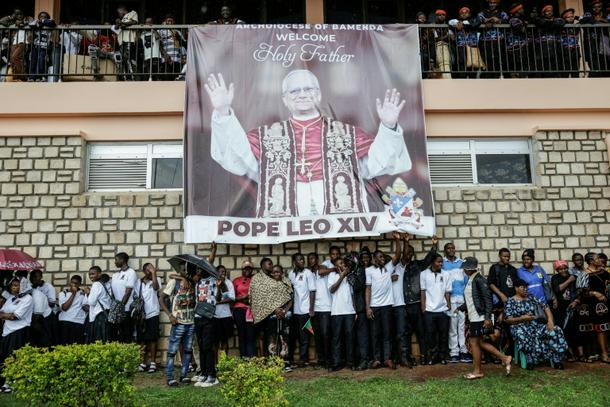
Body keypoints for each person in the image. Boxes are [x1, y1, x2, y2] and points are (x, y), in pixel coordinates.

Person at [206, 69, 411, 217]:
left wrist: (389, 126)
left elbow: (376, 165)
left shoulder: (347, 133)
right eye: (294, 91)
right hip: (284, 213)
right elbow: (237, 160)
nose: (302, 94)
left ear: (319, 95)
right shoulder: (266, 136)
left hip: (340, 213)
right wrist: (223, 113)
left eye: (308, 89)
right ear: (284, 99)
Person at [458, 257, 512, 379]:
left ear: (469, 269)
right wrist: (460, 308)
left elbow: (488, 300)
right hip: (474, 316)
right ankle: (504, 358)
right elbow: (472, 300)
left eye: (465, 268)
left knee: (474, 342)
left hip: (479, 317)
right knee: (479, 342)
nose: (464, 270)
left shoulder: (479, 280)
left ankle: (478, 371)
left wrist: (487, 318)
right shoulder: (472, 280)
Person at [504, 279, 568, 369]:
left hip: (534, 325)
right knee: (521, 333)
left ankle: (556, 358)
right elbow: (507, 320)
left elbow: (545, 306)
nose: (525, 289)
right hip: (518, 326)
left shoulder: (531, 297)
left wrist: (550, 320)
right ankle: (529, 358)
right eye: (523, 287)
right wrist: (522, 318)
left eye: (526, 287)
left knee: (555, 330)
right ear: (516, 288)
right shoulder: (510, 301)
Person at [401, 234, 438, 366]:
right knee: (406, 333)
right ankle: (408, 357)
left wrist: (434, 245)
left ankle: (423, 356)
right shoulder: (399, 266)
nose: (409, 254)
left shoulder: (417, 265)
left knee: (421, 332)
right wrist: (405, 242)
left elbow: (429, 259)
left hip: (417, 304)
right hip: (404, 305)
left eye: (411, 252)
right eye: (407, 252)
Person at [366, 233, 402, 369]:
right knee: (375, 334)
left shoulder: (388, 268)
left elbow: (397, 256)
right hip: (375, 306)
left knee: (387, 333)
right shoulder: (369, 271)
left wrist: (397, 240)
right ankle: (377, 359)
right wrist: (368, 308)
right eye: (380, 257)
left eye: (383, 257)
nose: (383, 259)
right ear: (374, 259)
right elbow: (368, 289)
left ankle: (387, 359)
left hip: (387, 306)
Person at [160, 264, 196, 387]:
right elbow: (162, 299)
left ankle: (184, 375)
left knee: (188, 351)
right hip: (178, 322)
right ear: (178, 270)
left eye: (188, 270)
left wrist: (184, 278)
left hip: (190, 322)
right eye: (183, 270)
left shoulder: (193, 283)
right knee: (172, 351)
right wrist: (170, 315)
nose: (186, 272)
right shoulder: (174, 282)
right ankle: (170, 377)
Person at [249, 257, 293, 357]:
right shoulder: (257, 279)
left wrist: (281, 310)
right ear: (262, 265)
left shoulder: (276, 278)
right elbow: (257, 297)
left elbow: (282, 295)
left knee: (276, 336)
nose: (271, 265)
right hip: (261, 313)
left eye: (272, 264)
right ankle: (262, 358)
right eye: (269, 264)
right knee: (261, 335)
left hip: (276, 314)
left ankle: (277, 358)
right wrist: (274, 308)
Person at [0, 278, 34, 393]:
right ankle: (7, 382)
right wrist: (5, 315)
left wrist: (5, 315)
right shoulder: (11, 298)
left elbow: (15, 316)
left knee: (15, 358)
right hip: (7, 331)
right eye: (12, 286)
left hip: (19, 331)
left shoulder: (28, 299)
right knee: (6, 357)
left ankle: (13, 383)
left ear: (23, 286)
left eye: (16, 285)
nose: (13, 288)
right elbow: (3, 311)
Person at [576, 252, 610, 363]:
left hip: (603, 306)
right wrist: (595, 293)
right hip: (590, 306)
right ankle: (598, 354)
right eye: (597, 258)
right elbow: (580, 292)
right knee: (593, 330)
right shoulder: (583, 274)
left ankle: (605, 352)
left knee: (604, 329)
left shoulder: (604, 272)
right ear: (591, 261)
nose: (600, 260)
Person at [420, 253, 451, 365]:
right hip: (429, 310)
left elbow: (447, 292)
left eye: (441, 262)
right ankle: (433, 356)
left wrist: (449, 305)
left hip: (442, 310)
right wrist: (423, 308)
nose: (441, 264)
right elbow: (422, 292)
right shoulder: (423, 274)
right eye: (439, 262)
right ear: (432, 262)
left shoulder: (446, 274)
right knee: (430, 335)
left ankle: (442, 356)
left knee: (443, 335)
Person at [327, 256, 356, 371]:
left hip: (349, 311)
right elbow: (332, 289)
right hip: (337, 312)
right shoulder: (332, 276)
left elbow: (353, 294)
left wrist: (355, 310)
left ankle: (351, 362)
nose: (343, 265)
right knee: (337, 338)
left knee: (350, 337)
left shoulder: (350, 276)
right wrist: (341, 277)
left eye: (343, 263)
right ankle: (336, 363)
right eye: (340, 263)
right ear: (336, 266)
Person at [288, 253, 316, 367]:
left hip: (305, 310)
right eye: (299, 260)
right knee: (294, 335)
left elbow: (312, 291)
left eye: (303, 259)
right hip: (294, 311)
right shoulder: (290, 274)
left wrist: (311, 309)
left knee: (304, 336)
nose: (302, 261)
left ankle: (303, 359)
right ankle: (291, 359)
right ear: (294, 262)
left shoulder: (308, 273)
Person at [133, 263, 162, 373]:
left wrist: (154, 273)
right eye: (149, 269)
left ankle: (153, 362)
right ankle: (143, 362)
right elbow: (136, 297)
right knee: (142, 339)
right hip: (141, 315)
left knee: (153, 338)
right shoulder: (138, 282)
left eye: (152, 269)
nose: (151, 271)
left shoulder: (156, 279)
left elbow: (155, 288)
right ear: (144, 271)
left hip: (153, 313)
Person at [550, 260, 579, 362]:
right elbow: (557, 289)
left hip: (572, 307)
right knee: (564, 330)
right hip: (560, 309)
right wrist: (569, 281)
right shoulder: (555, 278)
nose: (563, 270)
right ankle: (569, 353)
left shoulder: (573, 276)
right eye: (560, 269)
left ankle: (579, 354)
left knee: (574, 330)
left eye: (565, 268)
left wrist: (576, 301)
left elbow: (579, 291)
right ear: (557, 270)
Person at [266, 265, 293, 370]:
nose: (276, 274)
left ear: (282, 273)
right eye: (274, 272)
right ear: (271, 274)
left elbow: (291, 300)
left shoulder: (287, 284)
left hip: (285, 314)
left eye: (278, 272)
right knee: (272, 338)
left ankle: (285, 363)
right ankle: (273, 363)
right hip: (272, 315)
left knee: (284, 338)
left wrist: (284, 311)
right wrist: (275, 310)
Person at [347, 248, 370, 370]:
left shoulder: (360, 270)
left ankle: (364, 360)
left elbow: (358, 286)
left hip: (360, 308)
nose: (348, 264)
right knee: (355, 337)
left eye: (351, 261)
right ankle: (357, 360)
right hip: (352, 310)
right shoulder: (353, 271)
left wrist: (350, 276)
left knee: (362, 336)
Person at [313, 248, 337, 369]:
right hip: (316, 308)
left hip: (327, 307)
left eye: (337, 254)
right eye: (333, 254)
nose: (335, 256)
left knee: (326, 334)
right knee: (318, 335)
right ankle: (321, 359)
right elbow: (321, 271)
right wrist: (333, 269)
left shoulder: (339, 265)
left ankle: (328, 359)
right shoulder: (326, 264)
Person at [477, 0, 509, 78]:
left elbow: (507, 20)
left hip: (499, 40)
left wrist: (499, 20)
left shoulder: (502, 13)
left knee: (499, 59)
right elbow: (478, 20)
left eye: (494, 3)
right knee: (486, 59)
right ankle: (488, 77)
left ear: (497, 4)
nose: (492, 4)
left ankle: (498, 76)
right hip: (485, 40)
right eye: (490, 3)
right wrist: (490, 20)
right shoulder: (482, 13)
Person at [449, 6, 484, 78]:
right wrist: (458, 23)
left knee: (473, 67)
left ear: (469, 14)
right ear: (459, 15)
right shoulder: (456, 22)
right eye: (462, 13)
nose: (464, 14)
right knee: (462, 66)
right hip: (461, 47)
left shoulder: (474, 20)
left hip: (472, 47)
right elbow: (449, 22)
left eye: (466, 12)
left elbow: (477, 22)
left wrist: (463, 25)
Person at [110, 252, 137, 342]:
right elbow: (113, 293)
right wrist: (115, 308)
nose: (115, 262)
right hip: (116, 310)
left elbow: (128, 292)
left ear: (122, 260)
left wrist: (121, 307)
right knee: (118, 335)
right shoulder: (115, 275)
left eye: (116, 260)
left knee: (127, 334)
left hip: (126, 310)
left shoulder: (131, 273)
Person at [533, 4, 565, 77]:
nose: (550, 12)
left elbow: (562, 22)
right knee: (543, 71)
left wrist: (549, 24)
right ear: (543, 13)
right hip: (542, 50)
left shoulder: (556, 19)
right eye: (547, 11)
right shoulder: (539, 19)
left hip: (554, 49)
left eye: (551, 11)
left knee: (555, 70)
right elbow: (541, 22)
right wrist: (550, 24)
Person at [580, 0, 610, 77]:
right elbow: (582, 21)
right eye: (594, 7)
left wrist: (601, 20)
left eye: (599, 6)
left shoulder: (606, 14)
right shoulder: (588, 14)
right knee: (595, 70)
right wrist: (596, 21)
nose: (597, 9)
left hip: (606, 47)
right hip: (593, 48)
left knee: (607, 70)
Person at [0, 9, 32, 81]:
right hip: (14, 42)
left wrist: (24, 23)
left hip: (23, 42)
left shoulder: (28, 19)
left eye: (21, 14)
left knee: (15, 57)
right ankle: (16, 76)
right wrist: (11, 17)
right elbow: (1, 21)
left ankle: (22, 76)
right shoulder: (13, 23)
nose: (19, 16)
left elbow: (32, 22)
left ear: (24, 14)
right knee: (12, 59)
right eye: (17, 14)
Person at [447, 261, 470, 364]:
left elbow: (466, 284)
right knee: (453, 327)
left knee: (461, 327)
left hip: (461, 301)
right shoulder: (444, 264)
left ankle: (463, 351)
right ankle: (454, 352)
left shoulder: (461, 264)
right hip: (451, 301)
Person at [232, 260, 255, 357]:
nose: (247, 270)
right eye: (245, 268)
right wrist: (242, 298)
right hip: (239, 310)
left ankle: (251, 359)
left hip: (251, 311)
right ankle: (243, 358)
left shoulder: (255, 280)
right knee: (241, 335)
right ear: (242, 269)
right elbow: (232, 297)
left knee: (250, 335)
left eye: (249, 268)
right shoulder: (236, 281)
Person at [84, 266, 111, 343]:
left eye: (93, 274)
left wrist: (88, 293)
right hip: (106, 313)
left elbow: (91, 302)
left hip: (99, 316)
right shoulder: (107, 284)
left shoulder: (96, 284)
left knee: (98, 340)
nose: (91, 276)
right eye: (89, 274)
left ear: (99, 274)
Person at [29, 269, 57, 344]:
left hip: (47, 316)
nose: (33, 279)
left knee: (47, 338)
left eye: (36, 276)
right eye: (32, 277)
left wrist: (41, 299)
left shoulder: (48, 287)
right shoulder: (30, 289)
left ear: (41, 277)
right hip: (36, 316)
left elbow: (52, 303)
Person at [213, 265, 235, 359]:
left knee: (224, 340)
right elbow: (212, 298)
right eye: (220, 272)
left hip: (226, 315)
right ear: (216, 273)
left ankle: (223, 362)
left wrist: (218, 302)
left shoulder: (229, 283)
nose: (222, 273)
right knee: (215, 342)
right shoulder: (213, 283)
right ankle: (215, 363)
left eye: (224, 272)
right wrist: (218, 287)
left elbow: (232, 298)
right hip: (214, 316)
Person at [58, 275, 87, 345]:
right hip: (65, 321)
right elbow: (64, 308)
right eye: (72, 283)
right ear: (70, 283)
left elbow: (86, 307)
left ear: (79, 284)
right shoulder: (63, 293)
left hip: (78, 321)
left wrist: (88, 294)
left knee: (76, 344)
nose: (73, 285)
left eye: (76, 283)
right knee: (64, 344)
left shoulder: (83, 293)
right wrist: (73, 294)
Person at [27, 11, 56, 81]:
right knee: (33, 61)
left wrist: (42, 21)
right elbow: (30, 24)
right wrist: (38, 23)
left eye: (45, 17)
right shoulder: (36, 21)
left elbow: (52, 23)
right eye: (41, 16)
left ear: (47, 18)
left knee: (41, 60)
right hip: (35, 45)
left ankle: (41, 76)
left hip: (44, 46)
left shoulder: (49, 22)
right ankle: (32, 77)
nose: (42, 18)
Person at [505, 2, 530, 77]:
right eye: (521, 9)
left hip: (521, 45)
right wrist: (525, 24)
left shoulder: (520, 19)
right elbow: (521, 30)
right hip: (515, 46)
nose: (523, 10)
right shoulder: (513, 20)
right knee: (516, 64)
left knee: (523, 64)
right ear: (517, 10)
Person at [115, 5, 139, 80]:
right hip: (122, 41)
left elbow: (134, 22)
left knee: (127, 57)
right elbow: (116, 28)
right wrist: (117, 23)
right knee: (123, 58)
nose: (119, 14)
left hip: (129, 39)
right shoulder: (121, 19)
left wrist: (122, 23)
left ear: (123, 10)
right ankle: (125, 77)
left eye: (119, 12)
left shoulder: (132, 13)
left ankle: (132, 77)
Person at [159, 15, 186, 80]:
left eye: (171, 21)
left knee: (176, 79)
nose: (170, 22)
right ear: (165, 22)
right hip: (166, 58)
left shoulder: (177, 31)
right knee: (167, 79)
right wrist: (165, 54)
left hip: (177, 59)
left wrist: (178, 37)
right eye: (168, 21)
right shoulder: (161, 31)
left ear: (174, 22)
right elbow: (159, 44)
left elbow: (183, 44)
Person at [559, 8, 581, 77]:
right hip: (565, 52)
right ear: (564, 18)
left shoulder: (576, 26)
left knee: (575, 73)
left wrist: (577, 17)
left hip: (575, 51)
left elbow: (585, 20)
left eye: (572, 16)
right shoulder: (561, 26)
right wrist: (563, 20)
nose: (571, 18)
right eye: (568, 17)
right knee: (565, 73)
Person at [433, 10, 452, 79]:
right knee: (441, 63)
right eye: (439, 15)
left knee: (449, 62)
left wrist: (450, 36)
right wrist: (446, 36)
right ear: (436, 16)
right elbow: (436, 39)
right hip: (437, 46)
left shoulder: (448, 25)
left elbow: (452, 38)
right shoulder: (433, 25)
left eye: (443, 15)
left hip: (447, 46)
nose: (441, 16)